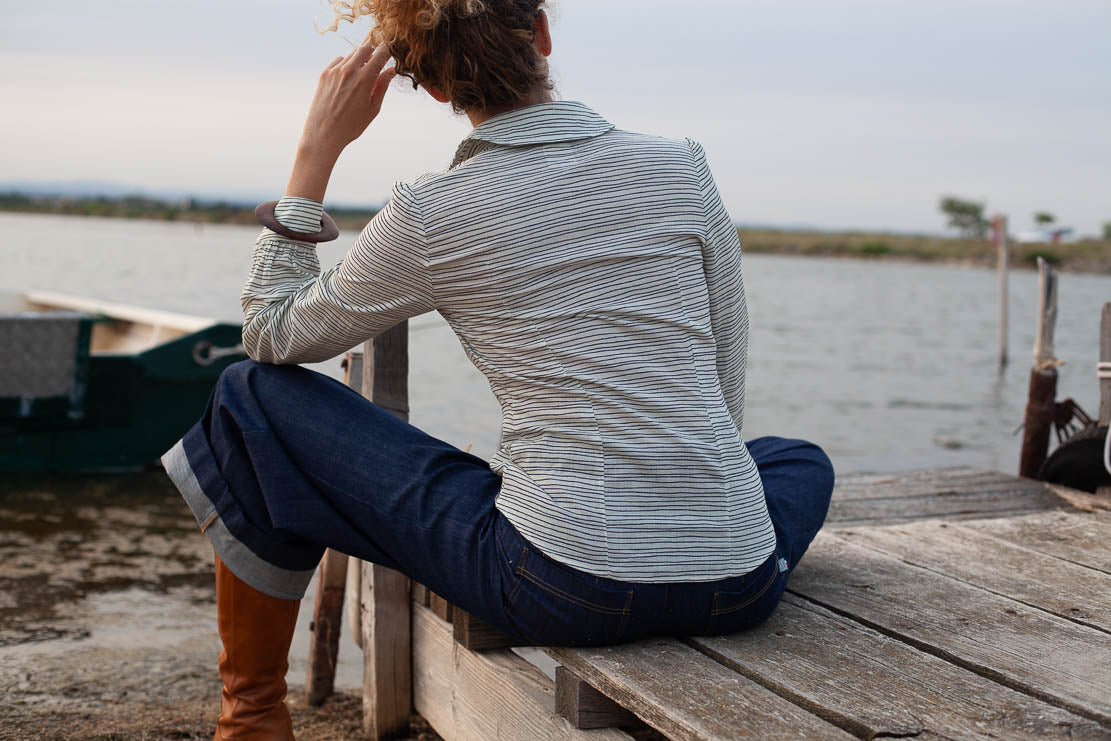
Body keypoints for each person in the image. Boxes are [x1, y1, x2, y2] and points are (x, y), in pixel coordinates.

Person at [160, 1, 834, 738]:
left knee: (248, 395)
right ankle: (695, 534)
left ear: (438, 89)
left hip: (564, 584)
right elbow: (723, 376)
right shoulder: (680, 163)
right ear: (541, 33)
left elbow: (268, 333)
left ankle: (252, 715)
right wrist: (679, 519)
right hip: (738, 579)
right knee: (796, 459)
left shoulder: (431, 210)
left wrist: (314, 152)